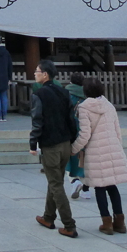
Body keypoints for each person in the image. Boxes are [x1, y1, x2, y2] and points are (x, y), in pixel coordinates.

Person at [71, 77, 127, 234]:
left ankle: (106, 222)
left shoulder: (84, 108)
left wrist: (73, 149)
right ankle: (120, 222)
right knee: (112, 186)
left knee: (99, 187)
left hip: (95, 150)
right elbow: (117, 130)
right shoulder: (109, 105)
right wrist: (117, 147)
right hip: (112, 147)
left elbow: (85, 134)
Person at [29, 59, 78, 238]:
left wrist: (33, 143)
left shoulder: (39, 94)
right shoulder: (64, 92)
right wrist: (73, 140)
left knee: (56, 184)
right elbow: (71, 118)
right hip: (65, 142)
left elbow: (37, 120)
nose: (34, 73)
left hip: (50, 144)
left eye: (37, 71)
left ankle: (69, 225)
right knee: (55, 179)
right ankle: (48, 217)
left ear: (45, 74)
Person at [65, 72, 89, 199]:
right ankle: (86, 190)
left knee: (69, 158)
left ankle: (74, 181)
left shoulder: (66, 94)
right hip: (86, 130)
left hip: (71, 130)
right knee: (85, 160)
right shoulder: (88, 95)